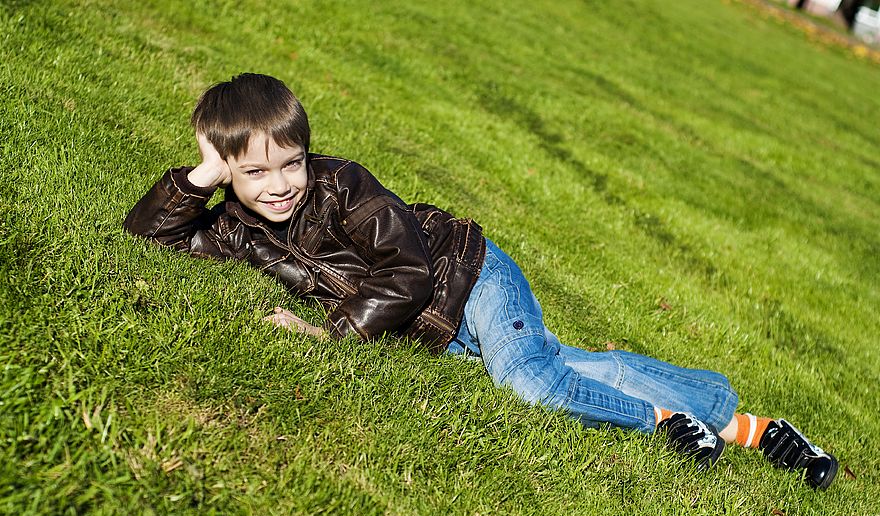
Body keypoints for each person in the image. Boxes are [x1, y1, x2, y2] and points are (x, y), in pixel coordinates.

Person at [124, 73, 838, 490]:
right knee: (572, 368)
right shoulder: (232, 227)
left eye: (291, 163)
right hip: (442, 334)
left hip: (468, 278)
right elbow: (147, 234)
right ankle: (747, 423)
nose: (280, 185)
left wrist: (327, 332)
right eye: (252, 171)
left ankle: (668, 423)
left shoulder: (344, 187)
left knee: (531, 384)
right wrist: (199, 179)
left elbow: (405, 272)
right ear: (225, 171)